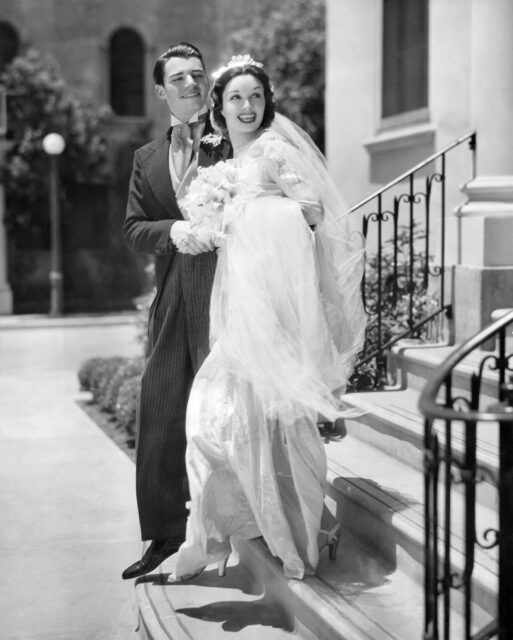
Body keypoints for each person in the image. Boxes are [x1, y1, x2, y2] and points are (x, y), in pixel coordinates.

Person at [169, 56, 366, 581]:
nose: (247, 106)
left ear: (266, 102)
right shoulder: (226, 167)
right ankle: (225, 527)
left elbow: (311, 213)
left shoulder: (274, 152)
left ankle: (297, 531)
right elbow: (221, 231)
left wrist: (245, 215)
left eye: (255, 96)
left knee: (274, 421)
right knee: (214, 419)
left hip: (275, 311)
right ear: (219, 107)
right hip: (238, 309)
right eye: (236, 97)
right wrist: (207, 226)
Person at [121, 42, 231, 580]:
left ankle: (233, 526)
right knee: (161, 410)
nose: (192, 84)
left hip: (226, 291)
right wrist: (175, 231)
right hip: (171, 293)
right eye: (179, 78)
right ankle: (163, 536)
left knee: (225, 411)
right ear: (162, 91)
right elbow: (133, 228)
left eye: (198, 74)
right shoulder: (145, 158)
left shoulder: (232, 139)